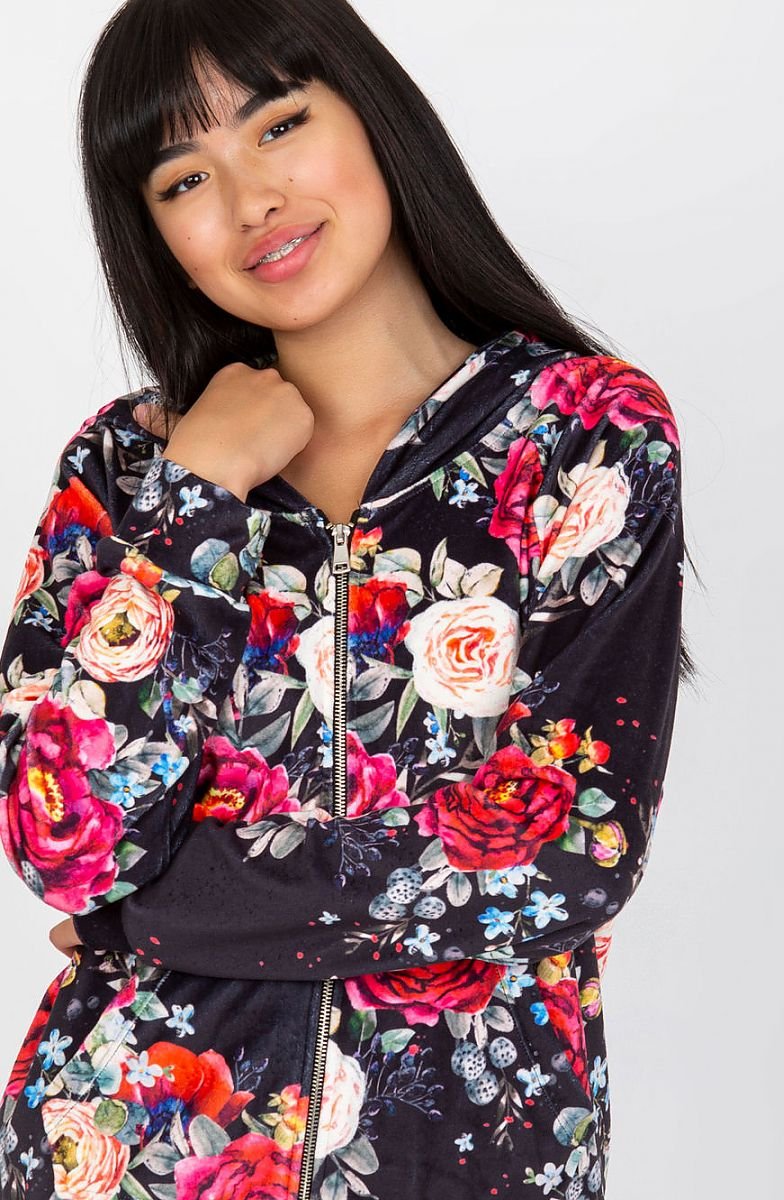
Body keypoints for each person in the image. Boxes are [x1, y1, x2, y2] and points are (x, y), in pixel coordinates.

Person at [0, 2, 697, 1197]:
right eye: (184, 179)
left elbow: (571, 851)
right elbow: (63, 844)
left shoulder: (585, 439)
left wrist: (151, 920)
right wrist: (196, 499)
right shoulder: (126, 471)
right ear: (152, 230)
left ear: (373, 114)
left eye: (279, 124)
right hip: (128, 1152)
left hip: (465, 1161)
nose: (251, 200)